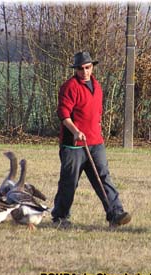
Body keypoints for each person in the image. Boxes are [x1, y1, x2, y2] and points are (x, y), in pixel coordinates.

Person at [51, 51, 131, 228]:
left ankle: (115, 214)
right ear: (76, 69)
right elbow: (63, 115)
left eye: (88, 67)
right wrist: (75, 131)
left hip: (96, 142)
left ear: (92, 67)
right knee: (69, 182)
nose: (85, 71)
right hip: (73, 146)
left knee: (104, 178)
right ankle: (60, 217)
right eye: (80, 68)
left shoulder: (97, 86)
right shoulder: (69, 87)